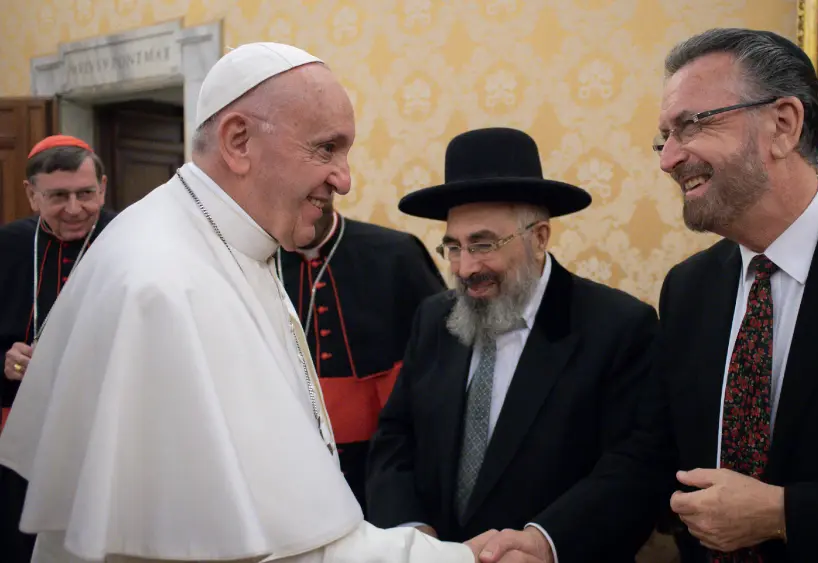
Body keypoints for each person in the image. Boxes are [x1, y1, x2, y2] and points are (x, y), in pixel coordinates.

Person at [477, 28, 818, 563]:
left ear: (783, 125)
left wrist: (785, 514)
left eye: (691, 125)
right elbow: (652, 458)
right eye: (665, 137)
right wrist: (547, 540)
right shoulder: (690, 288)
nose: (668, 159)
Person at [0, 42, 487, 563]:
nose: (344, 179)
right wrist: (463, 559)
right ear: (238, 141)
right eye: (326, 148)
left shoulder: (222, 241)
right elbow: (273, 549)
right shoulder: (166, 283)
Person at [366, 127, 660, 563]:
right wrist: (413, 535)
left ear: (539, 238)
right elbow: (395, 439)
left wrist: (546, 541)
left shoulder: (617, 327)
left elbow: (634, 466)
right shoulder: (433, 319)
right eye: (453, 247)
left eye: (483, 244)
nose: (465, 268)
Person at [276, 201, 445, 513]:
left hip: (386, 464)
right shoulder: (261, 263)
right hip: (295, 464)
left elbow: (441, 353)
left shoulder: (396, 253)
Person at [0, 135, 115, 563]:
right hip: (18, 434)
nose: (74, 208)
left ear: (103, 187)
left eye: (86, 194)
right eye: (57, 196)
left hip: (104, 431)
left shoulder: (130, 240)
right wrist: (3, 361)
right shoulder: (8, 245)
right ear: (32, 195)